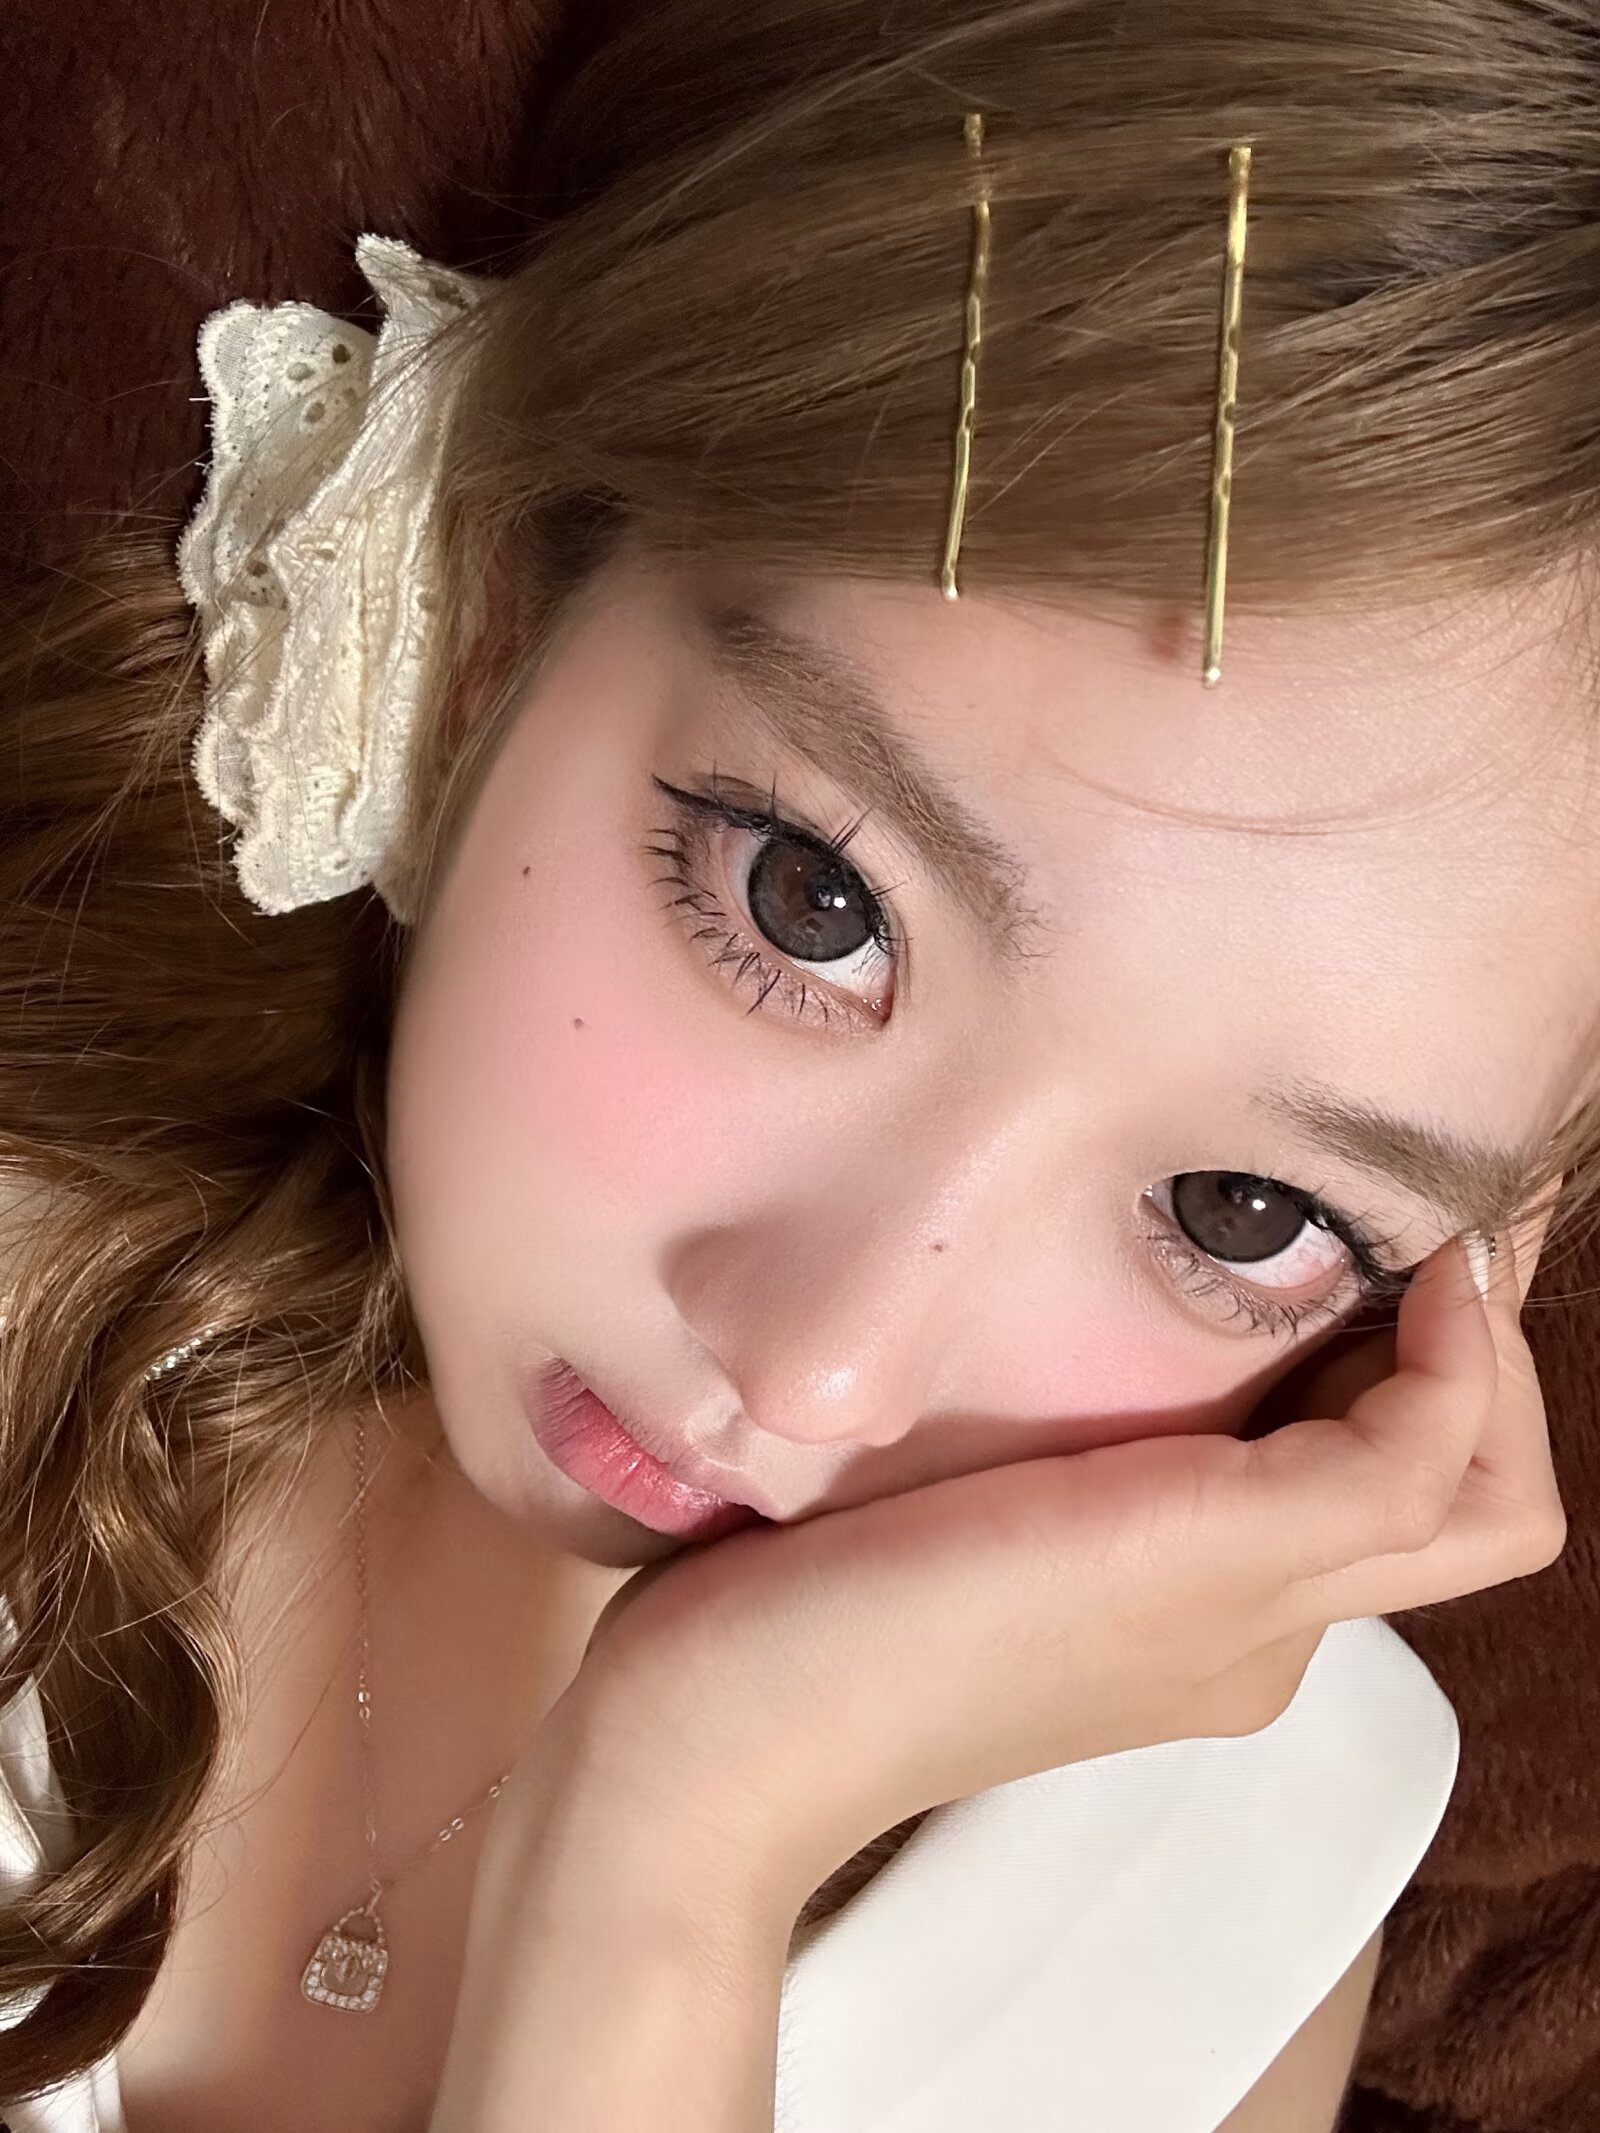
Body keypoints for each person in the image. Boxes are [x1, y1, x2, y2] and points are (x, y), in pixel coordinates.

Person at [0, 0, 1587, 2126]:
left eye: (1243, 1214)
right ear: (499, 620)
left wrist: (680, 1838)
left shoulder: (1226, 1895)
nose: (824, 1370)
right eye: (809, 903)